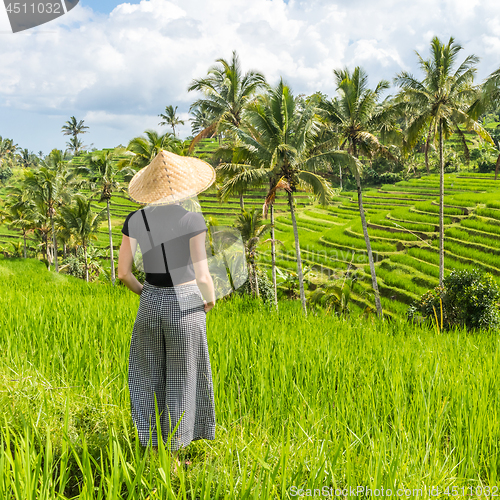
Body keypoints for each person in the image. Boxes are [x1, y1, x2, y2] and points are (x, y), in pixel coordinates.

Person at [117, 150, 217, 472]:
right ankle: (172, 459)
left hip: (150, 301)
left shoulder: (135, 219)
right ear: (183, 189)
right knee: (181, 377)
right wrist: (210, 298)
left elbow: (123, 273)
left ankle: (148, 448)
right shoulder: (192, 219)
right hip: (185, 302)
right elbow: (202, 275)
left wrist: (145, 293)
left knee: (146, 374)